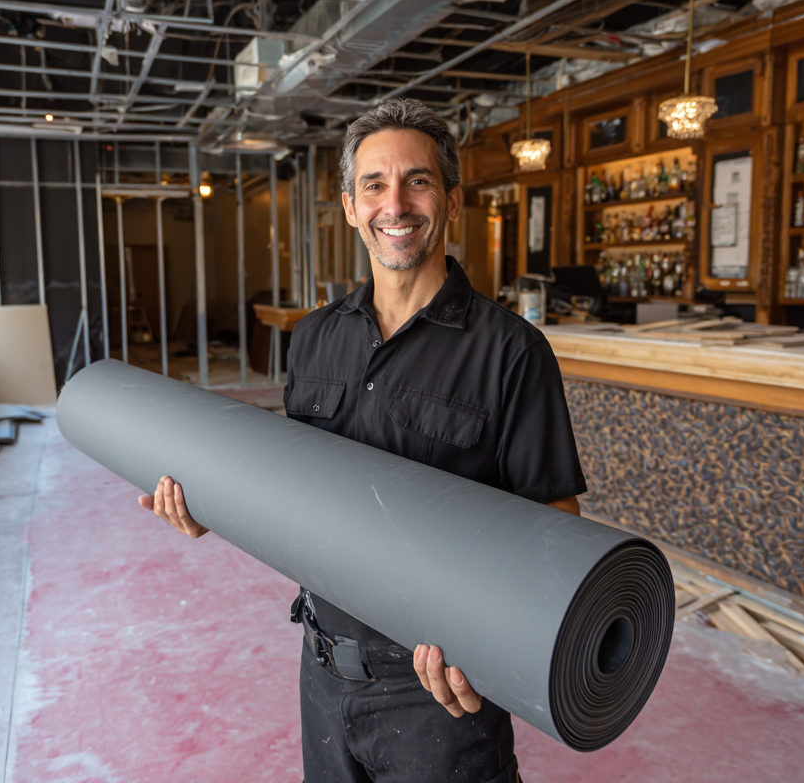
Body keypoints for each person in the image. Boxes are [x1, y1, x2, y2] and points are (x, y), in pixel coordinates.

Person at [140, 98, 586, 782]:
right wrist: (212, 509)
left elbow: (555, 533)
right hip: (321, 671)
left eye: (418, 180)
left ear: (452, 201)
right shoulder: (315, 337)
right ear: (349, 206)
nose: (395, 204)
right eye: (374, 184)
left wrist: (491, 650)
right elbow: (296, 495)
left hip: (438, 695)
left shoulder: (512, 353)